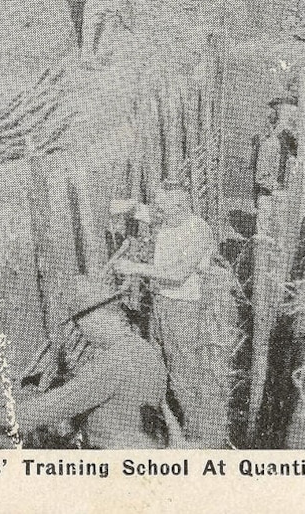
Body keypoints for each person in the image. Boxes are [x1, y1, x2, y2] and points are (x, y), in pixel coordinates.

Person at [0, 276, 171, 449]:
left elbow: (59, 404)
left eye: (80, 325)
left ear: (95, 318)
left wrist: (5, 418)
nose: (82, 333)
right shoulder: (144, 349)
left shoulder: (112, 363)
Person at [112, 182, 218, 442]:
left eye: (163, 209)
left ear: (181, 207)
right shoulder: (168, 217)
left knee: (183, 372)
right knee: (161, 361)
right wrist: (126, 206)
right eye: (156, 207)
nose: (157, 214)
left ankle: (195, 435)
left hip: (182, 307)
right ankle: (170, 423)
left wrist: (135, 268)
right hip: (161, 303)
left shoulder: (198, 231)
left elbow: (178, 274)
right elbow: (139, 210)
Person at [252, 94, 299, 239]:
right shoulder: (269, 140)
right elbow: (261, 174)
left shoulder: (291, 140)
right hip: (270, 193)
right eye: (288, 113)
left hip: (284, 195)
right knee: (265, 235)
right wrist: (276, 189)